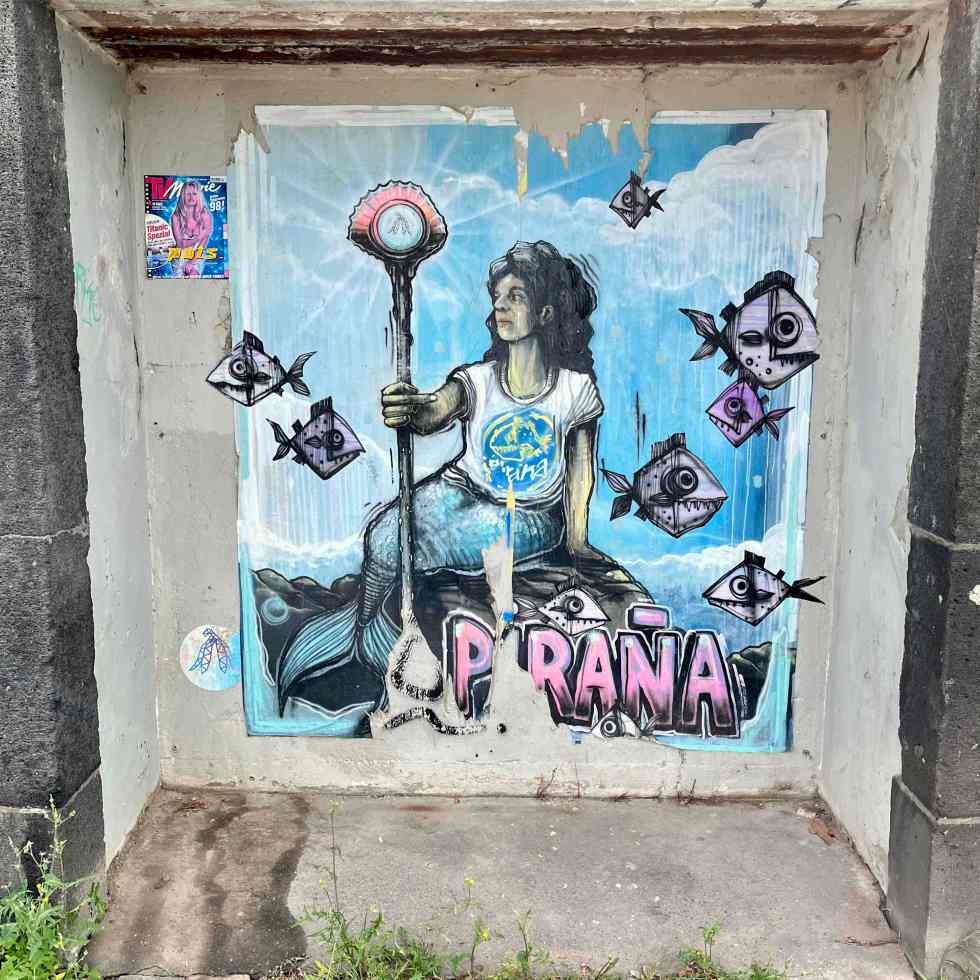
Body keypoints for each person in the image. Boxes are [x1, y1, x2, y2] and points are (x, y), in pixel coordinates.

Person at [276, 241, 619, 708]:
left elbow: (580, 472)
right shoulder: (478, 379)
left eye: (516, 296)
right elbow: (434, 411)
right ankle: (359, 633)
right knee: (383, 533)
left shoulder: (575, 390)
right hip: (461, 488)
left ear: (546, 312)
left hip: (528, 513)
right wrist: (409, 407)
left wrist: (577, 539)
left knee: (417, 547)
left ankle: (385, 643)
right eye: (497, 297)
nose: (500, 306)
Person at [170, 180, 213, 277]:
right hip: (180, 255)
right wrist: (199, 237)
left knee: (193, 276)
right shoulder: (176, 217)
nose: (191, 197)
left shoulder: (205, 215)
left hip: (197, 255)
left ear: (198, 196)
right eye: (188, 194)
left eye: (194, 194)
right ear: (183, 196)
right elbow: (181, 244)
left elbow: (203, 245)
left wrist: (192, 262)